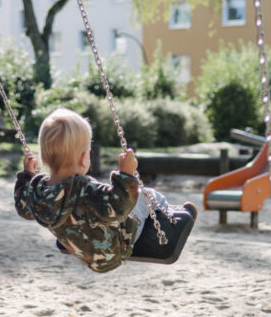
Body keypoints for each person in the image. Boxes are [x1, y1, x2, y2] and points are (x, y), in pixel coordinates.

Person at [14, 106, 197, 273]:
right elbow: (118, 208)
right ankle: (172, 217)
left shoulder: (38, 191)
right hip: (116, 250)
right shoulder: (86, 189)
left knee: (131, 200)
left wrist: (27, 176)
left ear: (43, 159)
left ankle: (166, 212)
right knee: (146, 195)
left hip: (83, 253)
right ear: (84, 158)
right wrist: (126, 175)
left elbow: (23, 208)